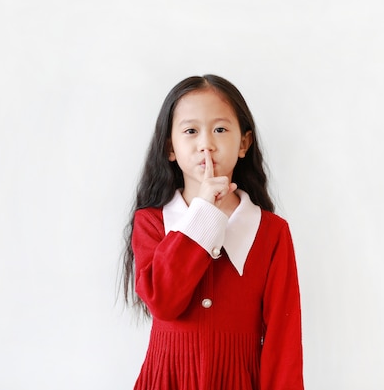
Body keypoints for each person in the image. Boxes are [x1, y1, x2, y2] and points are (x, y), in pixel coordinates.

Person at [120, 74, 304, 390]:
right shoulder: (152, 223)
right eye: (191, 131)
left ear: (244, 143)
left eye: (220, 129)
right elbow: (163, 302)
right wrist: (204, 211)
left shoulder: (271, 232)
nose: (206, 143)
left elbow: (283, 343)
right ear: (170, 148)